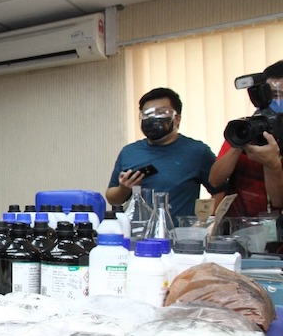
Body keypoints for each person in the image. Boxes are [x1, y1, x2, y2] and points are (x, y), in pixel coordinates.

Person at [106, 87, 216, 221]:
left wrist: (202, 222)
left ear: (176, 119)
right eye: (147, 113)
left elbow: (219, 191)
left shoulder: (197, 151)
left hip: (179, 236)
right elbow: (112, 198)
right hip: (137, 234)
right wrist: (124, 189)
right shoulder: (129, 152)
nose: (153, 118)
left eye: (161, 113)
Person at [208, 60, 283, 217]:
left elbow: (278, 200)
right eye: (271, 95)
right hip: (239, 226)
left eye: (281, 95)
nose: (275, 102)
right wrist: (240, 141)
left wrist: (272, 163)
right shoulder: (246, 127)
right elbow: (215, 180)